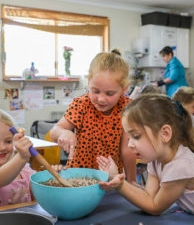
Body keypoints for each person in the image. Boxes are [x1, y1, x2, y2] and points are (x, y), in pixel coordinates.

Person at [98, 94, 194, 223]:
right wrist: (116, 178)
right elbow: (149, 196)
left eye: (136, 136)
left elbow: (154, 207)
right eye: (128, 137)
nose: (130, 144)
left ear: (165, 133)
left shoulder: (180, 165)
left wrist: (120, 185)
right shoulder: (157, 159)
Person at [50, 49, 137, 182]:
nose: (101, 99)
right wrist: (63, 133)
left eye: (109, 93)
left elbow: (127, 150)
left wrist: (131, 182)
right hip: (77, 178)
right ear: (89, 83)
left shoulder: (126, 108)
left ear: (124, 89)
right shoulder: (81, 104)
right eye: (95, 91)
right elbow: (54, 131)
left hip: (109, 178)